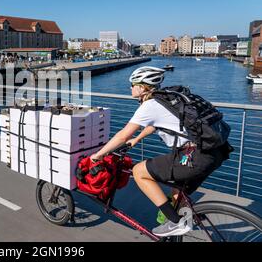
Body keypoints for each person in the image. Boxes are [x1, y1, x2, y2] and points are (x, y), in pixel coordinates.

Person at [90, 66, 230, 237]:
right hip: (215, 152)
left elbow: (122, 136)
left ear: (142, 87)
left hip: (194, 156)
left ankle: (176, 223)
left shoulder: (149, 105)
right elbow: (155, 124)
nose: (130, 88)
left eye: (133, 84)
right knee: (177, 193)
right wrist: (137, 139)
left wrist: (98, 155)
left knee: (139, 171)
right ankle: (177, 228)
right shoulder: (167, 98)